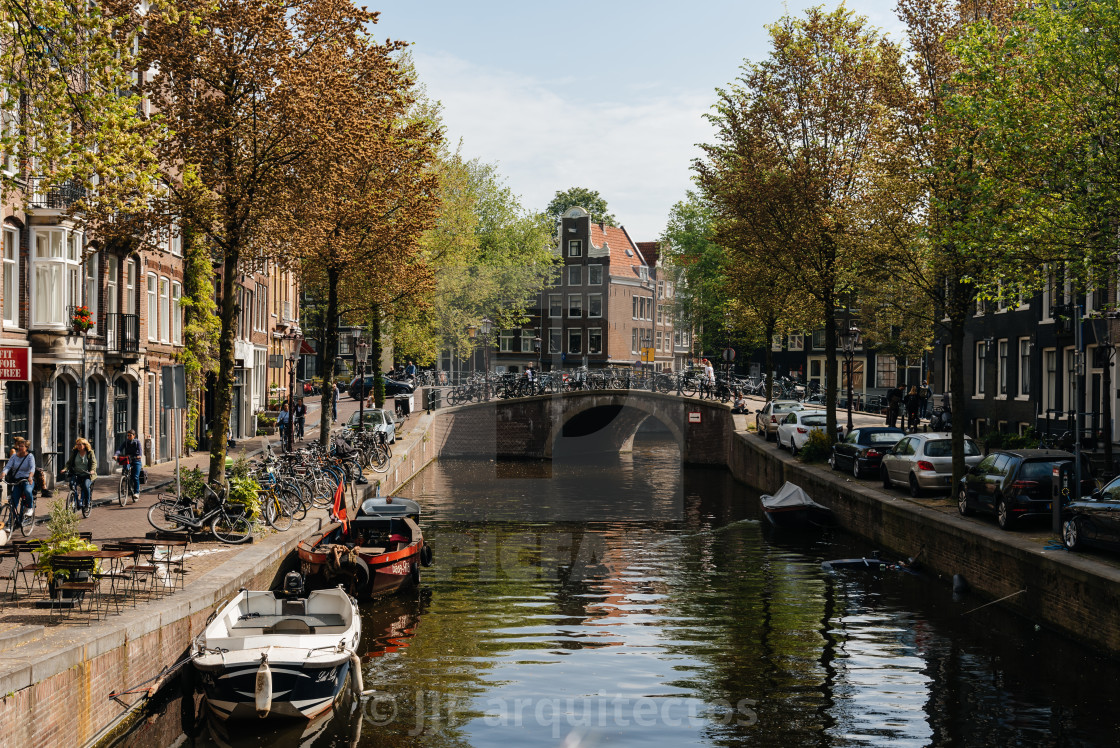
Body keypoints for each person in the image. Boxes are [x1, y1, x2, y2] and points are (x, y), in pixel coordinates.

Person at [2, 437, 36, 519]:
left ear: (26, 448)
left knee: (28, 490)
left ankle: (30, 508)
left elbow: (32, 468)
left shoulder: (30, 457)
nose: (20, 448)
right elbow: (8, 466)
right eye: (19, 446)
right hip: (17, 480)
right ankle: (11, 522)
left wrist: (30, 477)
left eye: (22, 446)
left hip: (27, 480)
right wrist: (3, 474)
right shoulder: (14, 456)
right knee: (14, 501)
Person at [61, 437, 97, 512]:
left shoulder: (90, 452)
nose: (78, 446)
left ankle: (87, 503)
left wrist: (92, 470)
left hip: (87, 474)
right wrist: (65, 469)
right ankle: (76, 500)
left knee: (86, 486)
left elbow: (94, 463)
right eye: (77, 445)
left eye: (80, 444)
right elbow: (69, 462)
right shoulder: (75, 452)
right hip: (76, 474)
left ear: (85, 445)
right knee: (72, 484)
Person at [114, 429, 143, 500]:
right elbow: (119, 449)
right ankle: (124, 484)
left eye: (130, 435)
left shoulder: (137, 442)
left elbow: (140, 450)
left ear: (134, 436)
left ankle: (136, 493)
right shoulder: (126, 442)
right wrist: (116, 455)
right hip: (128, 459)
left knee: (135, 477)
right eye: (128, 435)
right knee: (125, 471)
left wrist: (139, 455)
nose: (129, 437)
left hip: (136, 460)